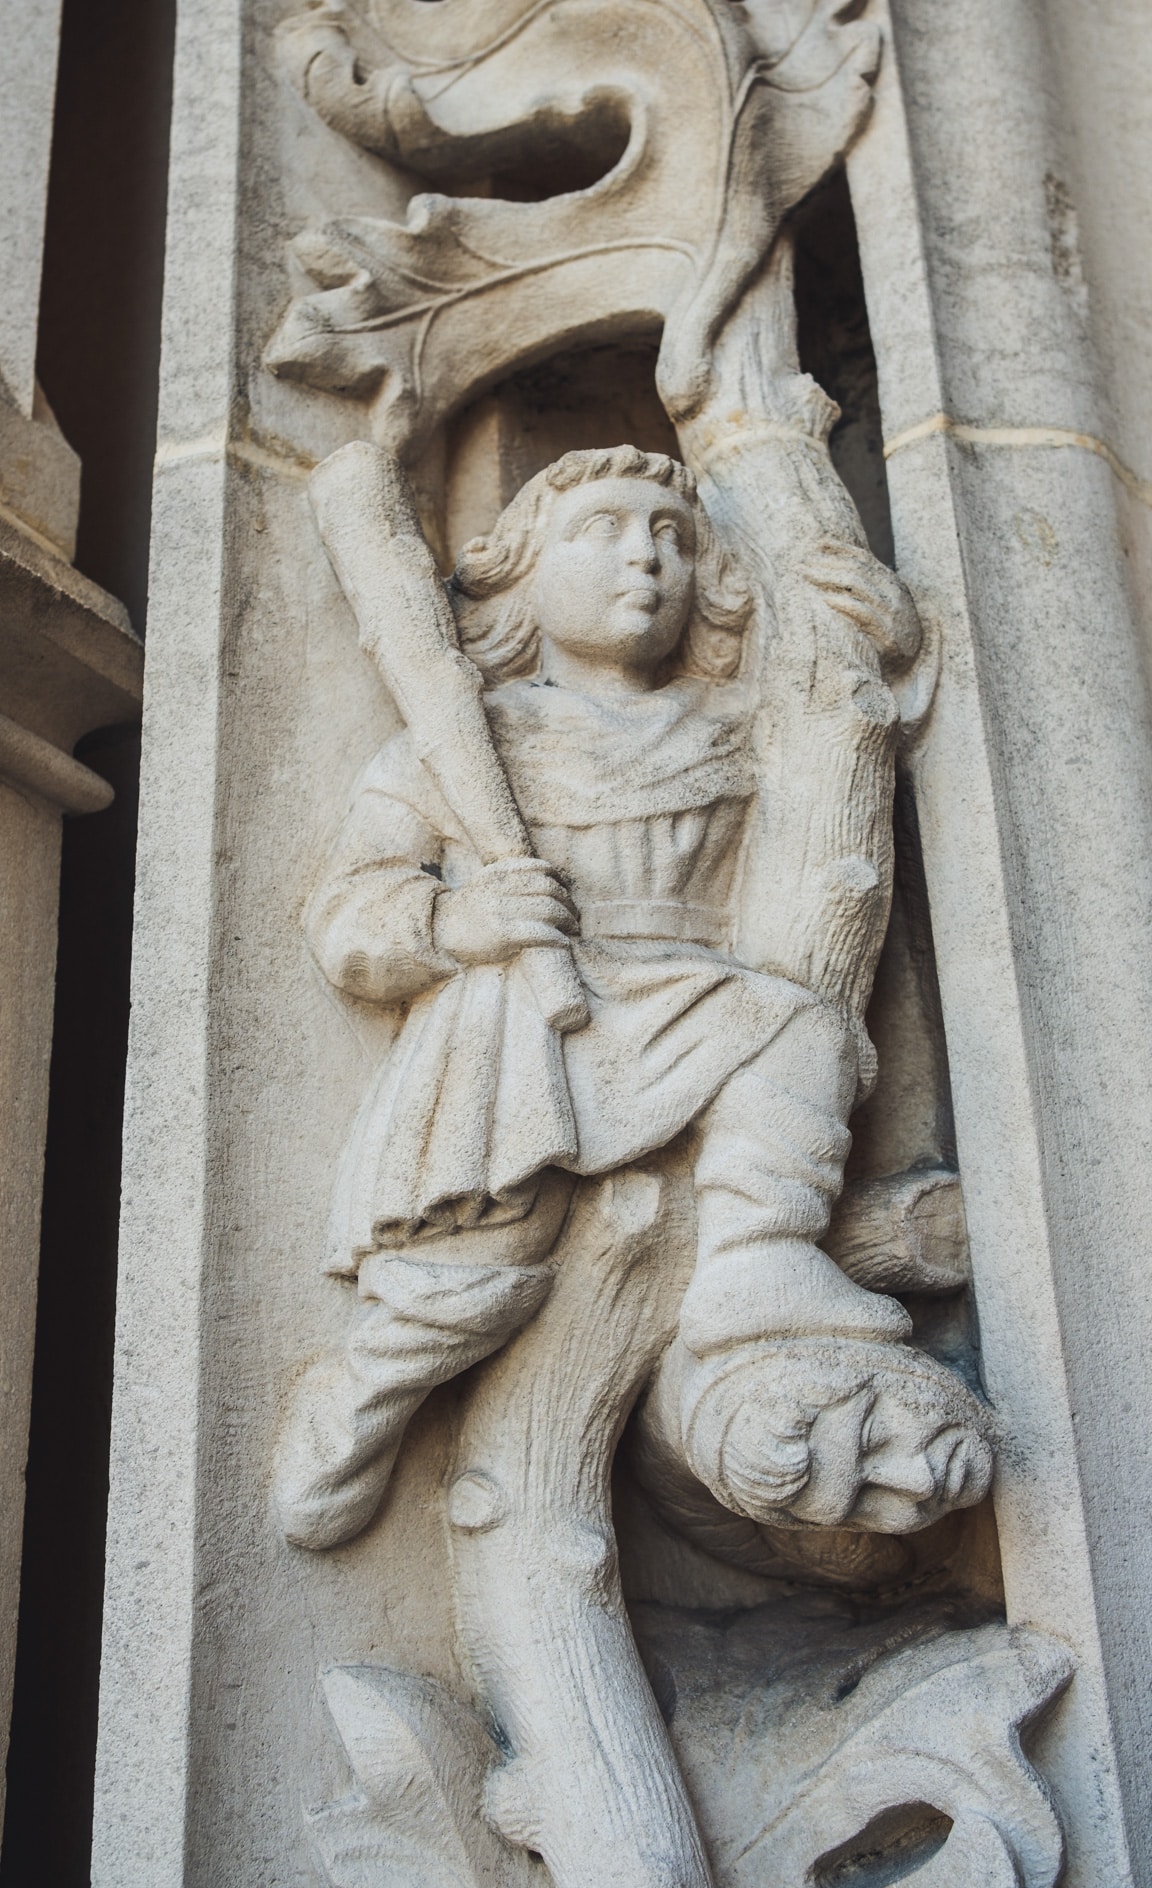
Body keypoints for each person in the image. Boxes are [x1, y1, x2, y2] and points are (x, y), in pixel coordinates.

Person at [274, 445, 992, 1550]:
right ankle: (365, 1390)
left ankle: (760, 1261)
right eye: (600, 528)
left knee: (795, 1028)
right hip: (518, 1029)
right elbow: (349, 912)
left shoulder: (732, 724)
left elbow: (846, 737)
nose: (642, 558)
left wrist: (887, 653)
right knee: (484, 1273)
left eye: (671, 535)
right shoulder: (464, 743)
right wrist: (456, 923)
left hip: (696, 998)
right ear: (516, 579)